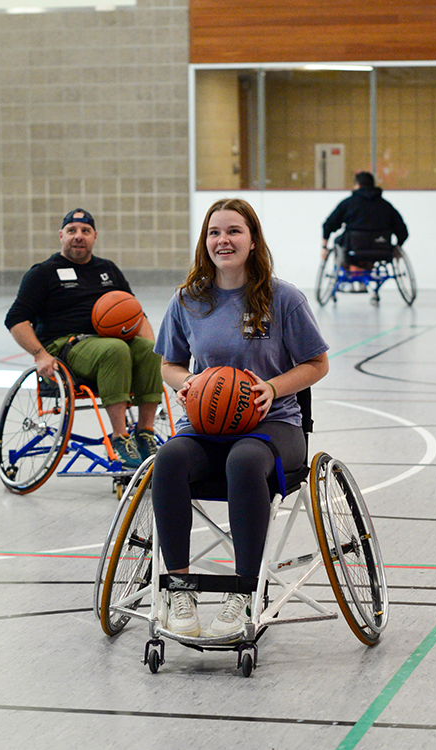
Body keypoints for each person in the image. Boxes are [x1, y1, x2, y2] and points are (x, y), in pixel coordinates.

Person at [152, 198, 329, 639]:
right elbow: (169, 365)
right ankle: (180, 588)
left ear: (252, 241)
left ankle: (244, 590)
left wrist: (271, 388)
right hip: (207, 424)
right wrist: (187, 382)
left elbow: (318, 363)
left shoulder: (282, 297)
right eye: (214, 232)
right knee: (169, 459)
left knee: (244, 461)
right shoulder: (188, 300)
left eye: (233, 231)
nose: (222, 240)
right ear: (205, 241)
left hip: (275, 424)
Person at [5, 208, 163, 470]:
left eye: (85, 231)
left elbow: (137, 314)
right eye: (72, 231)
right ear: (61, 235)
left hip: (109, 341)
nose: (78, 236)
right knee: (115, 349)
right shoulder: (43, 273)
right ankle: (120, 436)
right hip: (66, 346)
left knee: (149, 349)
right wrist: (40, 354)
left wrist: (150, 349)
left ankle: (145, 432)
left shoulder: (108, 270)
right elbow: (15, 319)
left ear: (94, 236)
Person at [322, 171, 408, 289]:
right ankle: (365, 273)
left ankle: (351, 274)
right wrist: (397, 248)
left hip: (353, 248)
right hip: (381, 248)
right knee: (371, 248)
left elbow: (329, 224)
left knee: (339, 242)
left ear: (357, 185)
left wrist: (324, 247)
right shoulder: (386, 206)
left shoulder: (348, 203)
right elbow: (403, 231)